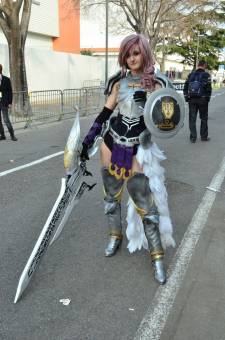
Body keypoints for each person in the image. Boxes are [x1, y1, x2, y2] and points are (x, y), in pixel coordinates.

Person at [80, 34, 175, 285]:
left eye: (136, 53)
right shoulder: (118, 83)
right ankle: (115, 235)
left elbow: (168, 120)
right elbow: (105, 112)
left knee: (146, 206)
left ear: (144, 53)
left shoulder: (158, 84)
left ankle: (157, 257)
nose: (133, 58)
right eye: (128, 54)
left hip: (138, 149)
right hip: (111, 144)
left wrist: (151, 117)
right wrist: (88, 138)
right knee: (111, 197)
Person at [183, 60, 212, 143]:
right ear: (204, 65)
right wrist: (207, 99)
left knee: (192, 119)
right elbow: (209, 89)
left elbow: (185, 87)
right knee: (203, 119)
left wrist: (186, 98)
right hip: (203, 100)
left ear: (198, 65)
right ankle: (203, 137)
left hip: (192, 100)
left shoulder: (190, 75)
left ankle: (193, 137)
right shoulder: (206, 75)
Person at [0, 64, 17, 141]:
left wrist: (10, 102)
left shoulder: (6, 79)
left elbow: (10, 92)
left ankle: (12, 135)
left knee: (6, 119)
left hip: (4, 102)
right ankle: (2, 135)